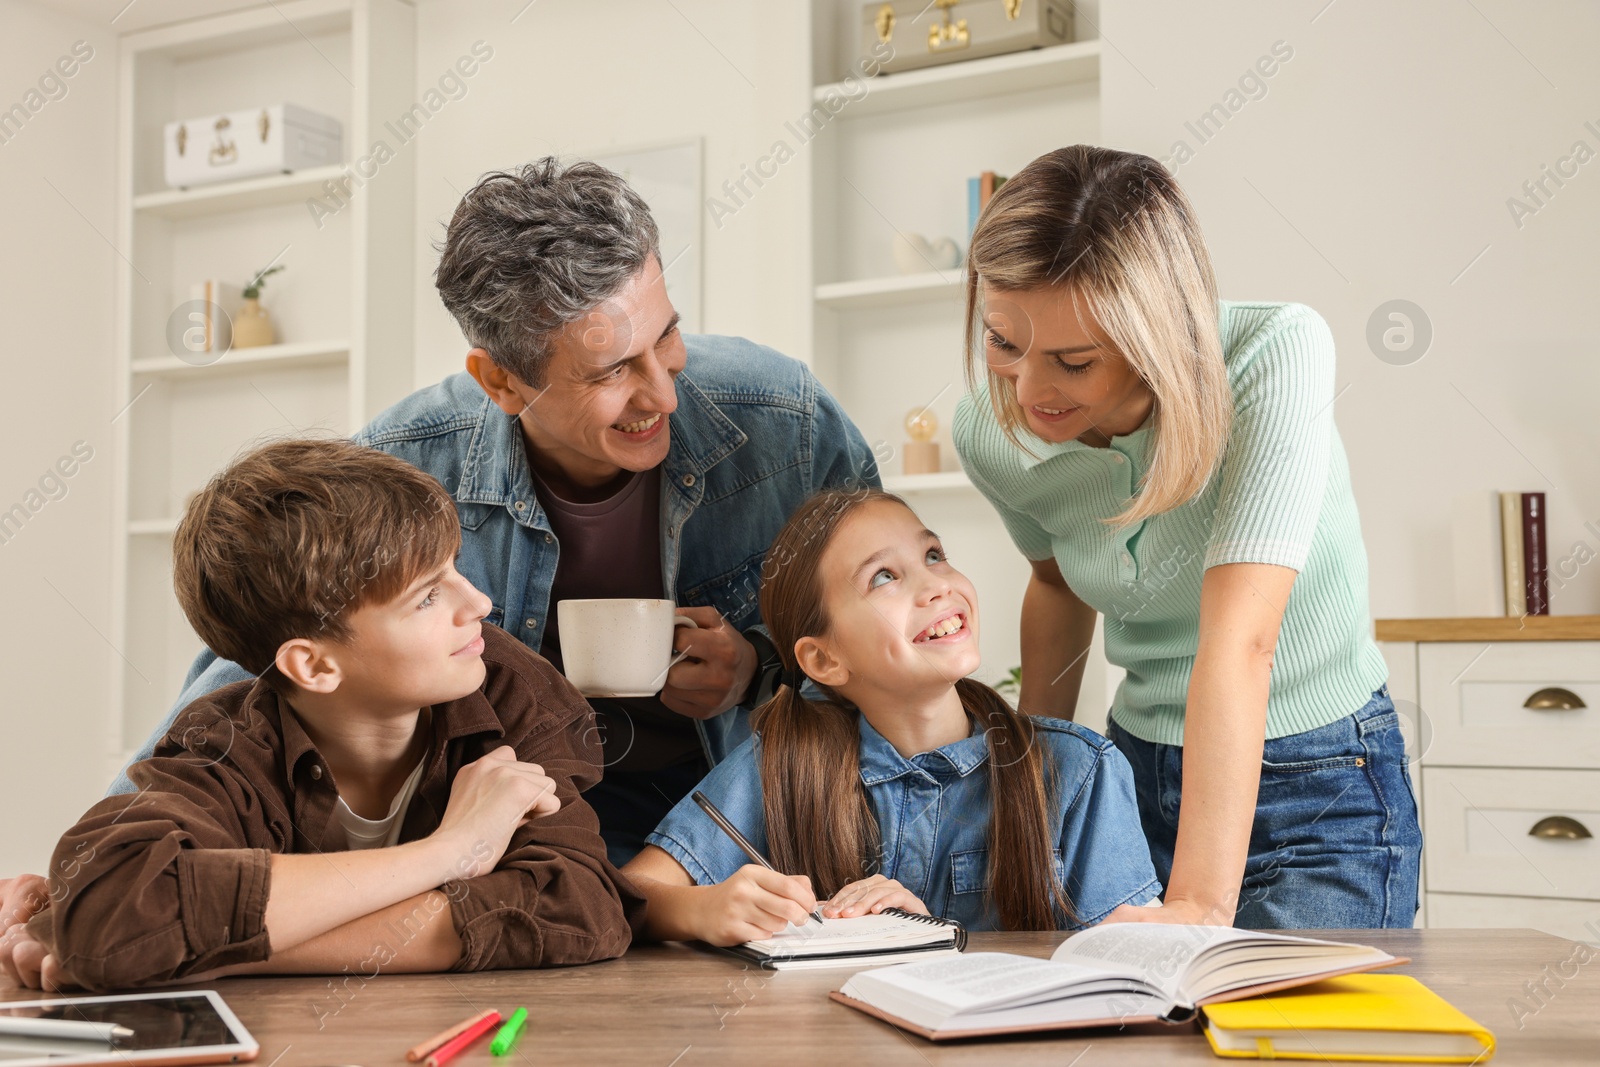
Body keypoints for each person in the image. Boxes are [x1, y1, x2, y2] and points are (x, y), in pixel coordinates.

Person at [108, 158, 881, 869]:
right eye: (614, 371)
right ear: (501, 382)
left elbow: (891, 633)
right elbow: (243, 666)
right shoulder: (401, 464)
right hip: (516, 831)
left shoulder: (786, 420)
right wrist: (103, 855)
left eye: (668, 335)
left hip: (745, 816)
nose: (666, 394)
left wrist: (752, 666)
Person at [953, 145, 1422, 929]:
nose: (1031, 392)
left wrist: (1199, 906)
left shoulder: (1276, 355)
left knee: (1285, 1044)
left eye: (1073, 361)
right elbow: (1059, 583)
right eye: (1004, 344)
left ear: (1154, 334)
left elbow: (1242, 641)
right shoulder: (990, 433)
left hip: (1318, 777)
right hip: (1131, 772)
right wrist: (1029, 789)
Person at [0, 439, 641, 992]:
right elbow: (112, 910)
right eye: (426, 597)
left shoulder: (514, 698)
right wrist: (449, 852)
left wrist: (220, 952)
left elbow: (578, 908)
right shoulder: (222, 741)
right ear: (313, 667)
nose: (479, 601)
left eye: (456, 569)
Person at [621, 488, 1161, 943]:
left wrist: (931, 937)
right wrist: (705, 909)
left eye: (933, 555)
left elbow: (1125, 966)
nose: (937, 585)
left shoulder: (1079, 770)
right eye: (883, 577)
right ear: (823, 659)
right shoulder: (781, 765)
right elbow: (633, 891)